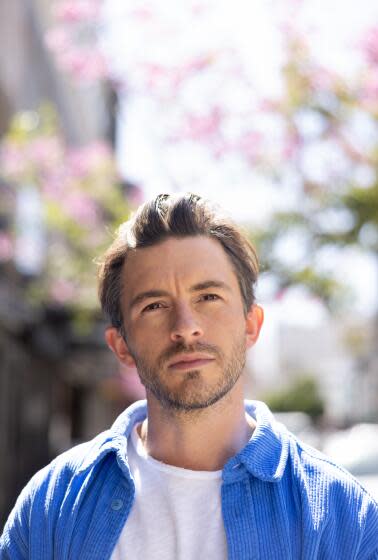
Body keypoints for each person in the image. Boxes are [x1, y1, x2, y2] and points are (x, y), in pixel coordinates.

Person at [1, 192, 377, 560]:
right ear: (121, 346)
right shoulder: (52, 506)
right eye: (155, 305)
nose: (186, 327)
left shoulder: (341, 516)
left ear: (251, 325)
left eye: (208, 297)